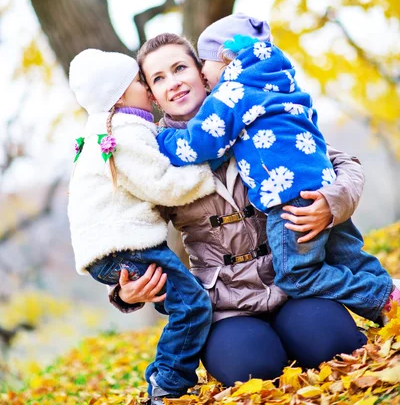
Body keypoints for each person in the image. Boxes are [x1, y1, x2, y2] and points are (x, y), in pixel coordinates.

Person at [107, 33, 369, 388]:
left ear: (202, 73)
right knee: (253, 371)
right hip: (223, 304)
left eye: (180, 68)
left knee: (334, 345)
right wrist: (124, 292)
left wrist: (331, 203)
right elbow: (127, 228)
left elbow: (343, 164)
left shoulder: (253, 106)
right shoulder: (151, 154)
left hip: (293, 283)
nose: (174, 83)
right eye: (159, 78)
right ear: (152, 96)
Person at [155, 15, 398, 322]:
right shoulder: (280, 79)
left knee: (297, 275)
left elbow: (200, 143)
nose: (204, 74)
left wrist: (158, 139)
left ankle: (380, 299)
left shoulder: (234, 91)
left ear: (227, 59)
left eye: (204, 63)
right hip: (317, 182)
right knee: (350, 258)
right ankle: (393, 300)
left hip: (289, 200)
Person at [68, 48, 216, 404]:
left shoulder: (104, 135)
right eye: (140, 81)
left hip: (111, 249)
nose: (148, 90)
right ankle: (168, 383)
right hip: (126, 246)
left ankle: (174, 372)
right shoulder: (125, 134)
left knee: (181, 302)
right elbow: (162, 184)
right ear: (119, 96)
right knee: (193, 305)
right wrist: (205, 170)